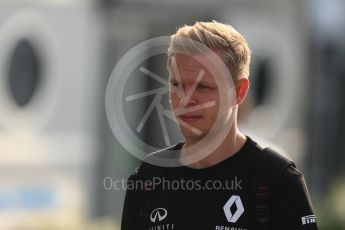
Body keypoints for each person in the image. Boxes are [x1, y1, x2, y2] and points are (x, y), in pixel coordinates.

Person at [121, 21, 318, 230]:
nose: (186, 100)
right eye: (177, 85)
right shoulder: (149, 178)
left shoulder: (277, 180)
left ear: (239, 91)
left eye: (203, 87)